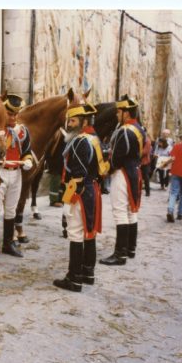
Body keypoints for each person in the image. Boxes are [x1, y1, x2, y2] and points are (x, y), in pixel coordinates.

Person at [53, 103, 108, 291]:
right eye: (69, 120)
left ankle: (74, 278)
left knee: (75, 233)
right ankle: (87, 273)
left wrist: (68, 200)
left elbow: (77, 175)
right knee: (88, 232)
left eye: (73, 120)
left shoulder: (79, 141)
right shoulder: (94, 138)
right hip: (92, 189)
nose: (69, 124)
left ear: (84, 121)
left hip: (80, 191)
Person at [99, 96, 145, 266]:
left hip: (123, 173)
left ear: (126, 113)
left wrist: (105, 170)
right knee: (131, 211)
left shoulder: (125, 130)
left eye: (119, 112)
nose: (117, 115)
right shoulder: (139, 128)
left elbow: (117, 157)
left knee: (120, 212)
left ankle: (120, 254)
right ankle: (130, 248)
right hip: (134, 171)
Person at [0, 93, 34, 257]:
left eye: (16, 114)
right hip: (0, 173)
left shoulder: (23, 131)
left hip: (16, 173)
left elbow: (27, 152)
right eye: (10, 113)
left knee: (11, 210)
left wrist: (27, 161)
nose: (14, 117)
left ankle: (8, 244)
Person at [141, 131, 152, 197]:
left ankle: (147, 192)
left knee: (146, 177)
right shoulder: (140, 139)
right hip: (139, 161)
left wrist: (136, 153)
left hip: (145, 162)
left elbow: (145, 152)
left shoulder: (147, 141)